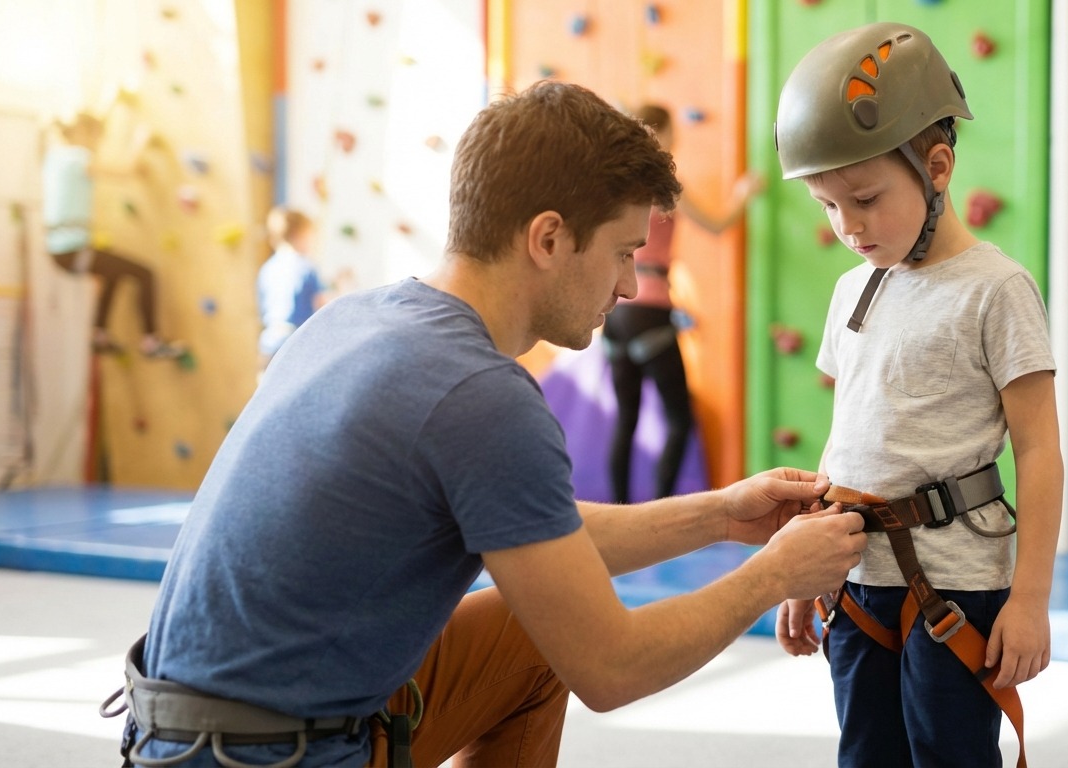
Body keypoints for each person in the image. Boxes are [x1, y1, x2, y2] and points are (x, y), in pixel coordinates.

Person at [108, 80, 867, 768]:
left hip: (183, 733)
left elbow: (539, 534)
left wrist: (722, 516)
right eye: (622, 252)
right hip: (263, 756)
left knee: (524, 626)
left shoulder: (363, 317)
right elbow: (611, 667)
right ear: (547, 238)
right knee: (567, 639)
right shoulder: (479, 392)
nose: (631, 283)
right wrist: (776, 574)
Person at [770, 23, 1062, 767]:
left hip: (955, 584)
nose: (848, 226)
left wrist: (1029, 600)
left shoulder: (996, 289)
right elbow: (847, 432)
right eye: (828, 206)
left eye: (865, 199)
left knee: (951, 754)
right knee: (865, 753)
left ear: (937, 168)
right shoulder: (851, 288)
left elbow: (1039, 450)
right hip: (857, 577)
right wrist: (808, 562)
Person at [602, 103, 760, 503]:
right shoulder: (661, 184)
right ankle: (659, 513)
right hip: (651, 309)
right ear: (664, 133)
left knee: (627, 419)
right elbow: (719, 223)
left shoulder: (617, 186)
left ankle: (619, 512)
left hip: (617, 315)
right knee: (677, 419)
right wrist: (743, 194)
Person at [43, 110, 186, 359]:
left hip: (61, 250)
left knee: (114, 274)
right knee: (145, 273)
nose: (96, 145)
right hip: (73, 249)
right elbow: (125, 171)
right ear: (83, 133)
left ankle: (99, 334)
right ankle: (151, 341)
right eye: (97, 138)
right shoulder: (77, 157)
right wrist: (140, 140)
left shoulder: (54, 158)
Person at [256, 207, 352, 370]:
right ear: (298, 235)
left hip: (268, 343)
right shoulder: (305, 267)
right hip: (294, 344)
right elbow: (323, 307)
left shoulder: (267, 269)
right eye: (309, 237)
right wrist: (342, 290)